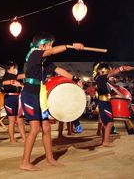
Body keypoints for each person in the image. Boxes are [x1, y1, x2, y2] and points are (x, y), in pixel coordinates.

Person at [20, 32, 84, 171]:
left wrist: (75, 79)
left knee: (47, 128)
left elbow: (58, 70)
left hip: (40, 95)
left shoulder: (43, 61)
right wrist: (70, 46)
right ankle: (25, 162)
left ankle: (50, 159)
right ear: (42, 45)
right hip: (29, 95)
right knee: (35, 128)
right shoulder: (34, 53)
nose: (51, 47)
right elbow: (53, 51)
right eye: (49, 44)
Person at [93, 62, 134, 146]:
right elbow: (115, 72)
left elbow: (110, 86)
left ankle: (104, 140)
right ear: (103, 71)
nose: (109, 74)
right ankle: (105, 141)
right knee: (109, 122)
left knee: (106, 123)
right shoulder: (102, 78)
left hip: (104, 102)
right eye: (107, 72)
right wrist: (123, 68)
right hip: (105, 103)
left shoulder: (99, 79)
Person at [2, 61, 26, 143]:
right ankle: (12, 139)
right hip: (9, 99)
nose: (16, 69)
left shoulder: (15, 76)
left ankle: (24, 138)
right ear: (8, 70)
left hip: (17, 98)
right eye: (14, 68)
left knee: (20, 120)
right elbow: (19, 76)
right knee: (11, 120)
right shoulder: (6, 77)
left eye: (16, 68)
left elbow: (21, 76)